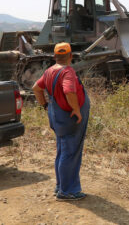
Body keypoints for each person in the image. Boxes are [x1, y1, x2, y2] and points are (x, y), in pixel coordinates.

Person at [32, 43, 90, 201]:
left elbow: (36, 88)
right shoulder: (68, 72)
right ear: (71, 56)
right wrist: (77, 110)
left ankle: (60, 186)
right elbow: (69, 90)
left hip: (57, 116)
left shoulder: (49, 71)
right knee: (70, 153)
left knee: (62, 151)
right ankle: (67, 191)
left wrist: (44, 105)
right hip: (69, 118)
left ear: (55, 57)